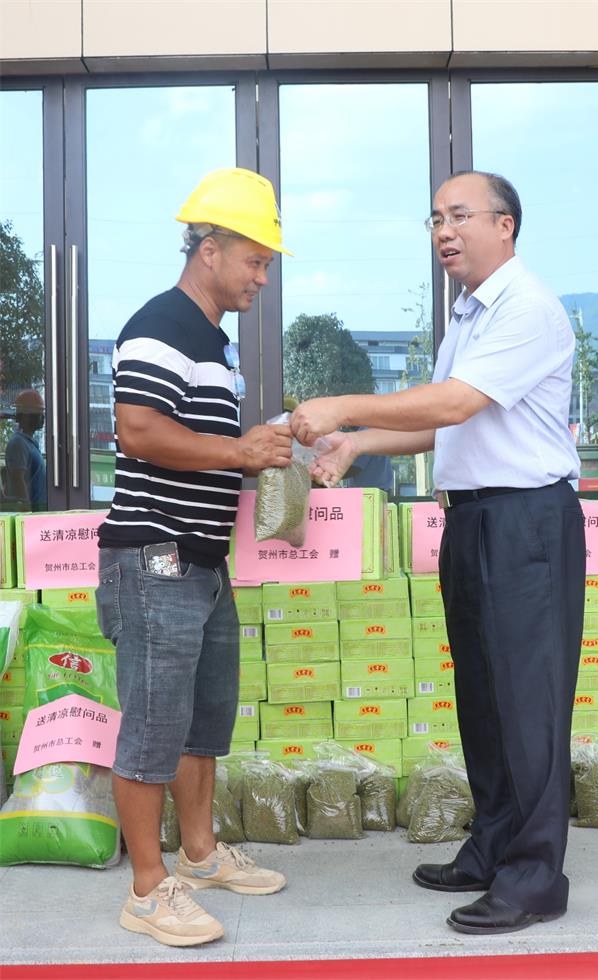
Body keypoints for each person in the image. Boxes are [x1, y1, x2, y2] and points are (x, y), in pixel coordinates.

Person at [290, 171, 586, 936]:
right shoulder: (469, 314)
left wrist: (342, 405)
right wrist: (357, 443)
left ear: (505, 225)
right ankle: (493, 845)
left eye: (459, 215)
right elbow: (446, 421)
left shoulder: (527, 307)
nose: (444, 231)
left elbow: (455, 401)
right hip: (473, 519)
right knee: (484, 696)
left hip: (526, 521)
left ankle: (535, 878)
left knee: (528, 702)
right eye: (434, 219)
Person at [95, 168, 294, 948]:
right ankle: (148, 889)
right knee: (153, 725)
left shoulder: (213, 341)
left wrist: (259, 453)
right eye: (254, 259)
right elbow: (139, 430)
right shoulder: (162, 324)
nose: (261, 277)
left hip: (202, 563)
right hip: (155, 558)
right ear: (209, 249)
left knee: (201, 720)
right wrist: (241, 452)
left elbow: (202, 447)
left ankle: (200, 854)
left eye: (266, 263)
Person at [4, 388, 47, 511]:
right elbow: (18, 479)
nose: (42, 418)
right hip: (31, 513)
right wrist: (27, 511)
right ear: (27, 417)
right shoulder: (18, 444)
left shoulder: (28, 442)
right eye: (39, 413)